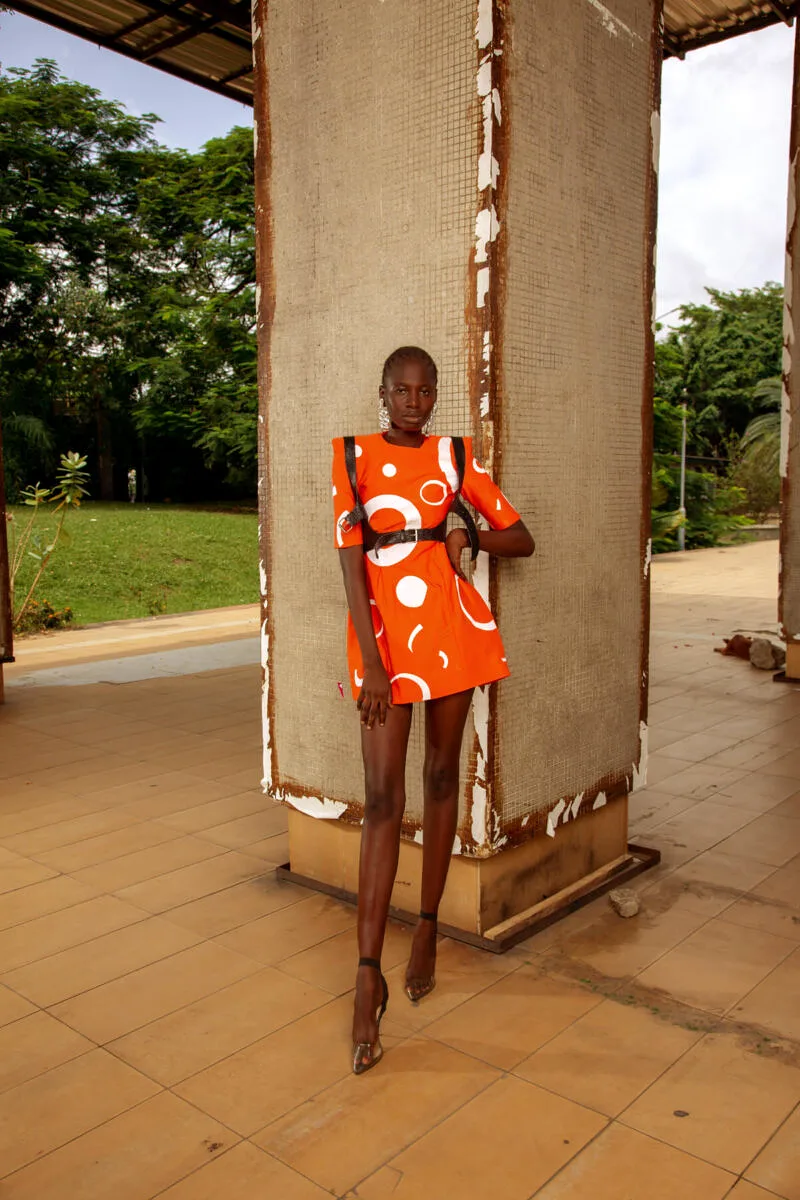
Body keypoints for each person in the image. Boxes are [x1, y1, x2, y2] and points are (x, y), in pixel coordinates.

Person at [332, 346, 534, 1075]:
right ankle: (364, 977)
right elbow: (352, 565)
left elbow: (522, 539)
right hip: (385, 647)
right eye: (401, 391)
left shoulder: (455, 458)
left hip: (451, 635)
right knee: (384, 799)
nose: (413, 402)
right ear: (382, 393)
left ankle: (425, 931)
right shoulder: (353, 458)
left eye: (426, 391)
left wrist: (466, 533)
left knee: (442, 779)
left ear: (435, 395)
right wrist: (375, 665)